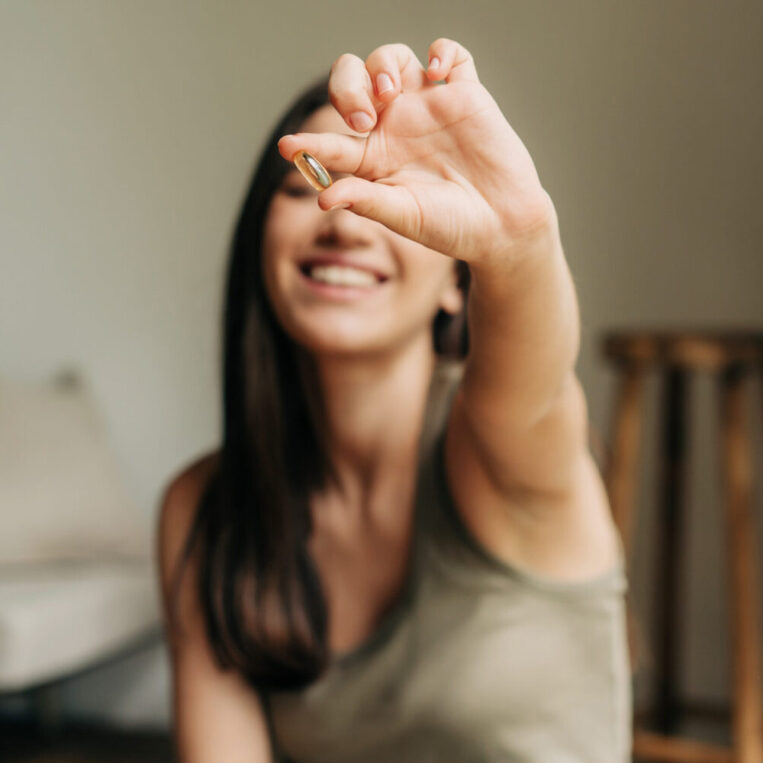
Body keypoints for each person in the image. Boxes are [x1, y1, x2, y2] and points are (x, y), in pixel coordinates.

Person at [157, 38, 632, 762]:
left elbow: (532, 388)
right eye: (304, 185)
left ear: (455, 285)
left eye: (385, 202)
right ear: (260, 242)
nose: (343, 220)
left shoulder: (495, 448)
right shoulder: (208, 509)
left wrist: (516, 241)